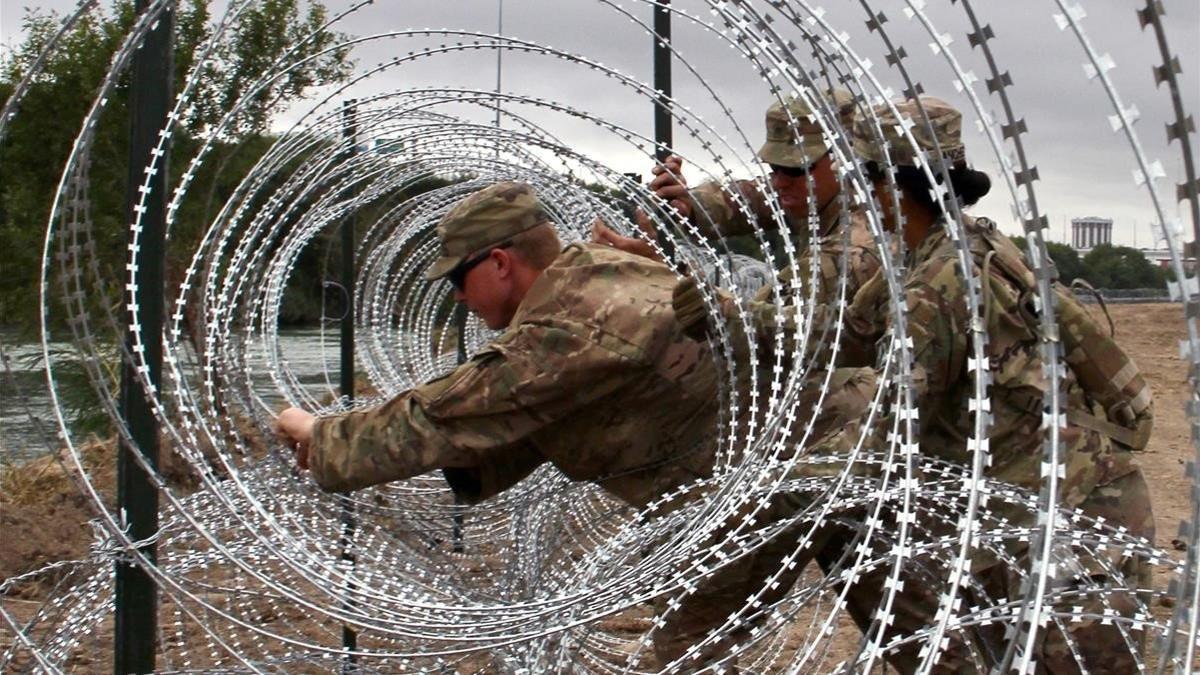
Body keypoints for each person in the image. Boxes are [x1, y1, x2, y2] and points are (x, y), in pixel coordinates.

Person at [671, 96, 1156, 672]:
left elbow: (884, 438)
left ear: (892, 188)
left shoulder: (938, 287)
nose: (861, 196)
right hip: (1036, 517)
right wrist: (722, 312)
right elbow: (836, 334)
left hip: (1069, 538)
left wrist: (760, 488)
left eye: (868, 181)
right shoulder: (951, 247)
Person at [275, 180, 720, 510]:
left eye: (457, 278)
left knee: (696, 639)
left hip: (734, 499)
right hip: (733, 482)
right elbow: (532, 421)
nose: (457, 295)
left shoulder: (563, 332)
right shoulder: (599, 267)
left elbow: (441, 416)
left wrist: (322, 436)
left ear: (500, 263)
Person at [594, 88, 883, 367]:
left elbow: (761, 322)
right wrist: (690, 204)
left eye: (795, 169)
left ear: (844, 161)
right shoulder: (832, 193)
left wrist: (668, 275)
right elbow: (753, 199)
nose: (780, 181)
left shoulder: (852, 250)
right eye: (774, 167)